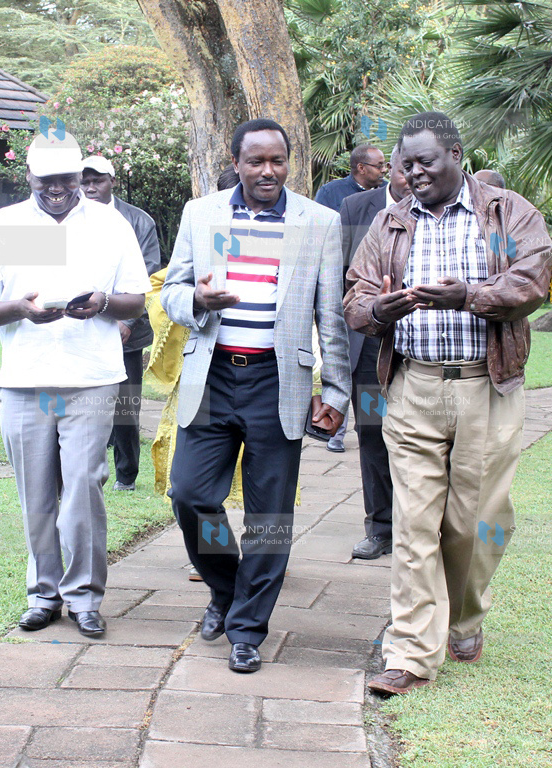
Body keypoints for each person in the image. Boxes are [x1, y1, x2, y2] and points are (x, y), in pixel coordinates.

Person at [344, 112, 552, 695]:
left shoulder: (504, 215)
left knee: (475, 522)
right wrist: (379, 311)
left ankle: (464, 617)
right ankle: (410, 652)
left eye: (424, 162)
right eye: (404, 165)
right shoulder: (390, 225)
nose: (413, 174)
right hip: (412, 388)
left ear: (456, 154)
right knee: (414, 524)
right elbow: (356, 297)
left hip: (487, 386)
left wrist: (470, 296)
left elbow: (531, 281)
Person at [161, 118, 351, 674]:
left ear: (289, 163)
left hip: (279, 380)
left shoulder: (319, 222)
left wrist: (336, 390)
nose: (268, 171)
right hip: (213, 376)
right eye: (256, 161)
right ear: (237, 162)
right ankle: (225, 589)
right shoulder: (202, 214)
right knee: (190, 494)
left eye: (278, 161)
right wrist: (196, 298)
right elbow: (173, 289)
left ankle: (247, 628)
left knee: (269, 515)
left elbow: (332, 317)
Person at [0, 131, 151, 638]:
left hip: (92, 377)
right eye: (47, 181)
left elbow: (137, 299)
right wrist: (21, 309)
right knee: (36, 494)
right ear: (30, 178)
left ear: (80, 178)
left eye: (67, 180)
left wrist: (103, 303)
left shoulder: (111, 225)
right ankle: (44, 594)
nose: (58, 189)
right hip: (25, 379)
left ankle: (84, 596)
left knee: (85, 485)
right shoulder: (8, 224)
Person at [339, 146, 408, 559]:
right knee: (371, 433)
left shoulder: (441, 209)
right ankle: (380, 526)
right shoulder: (355, 207)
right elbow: (338, 277)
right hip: (367, 347)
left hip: (422, 346)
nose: (409, 177)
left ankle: (428, 526)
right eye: (402, 169)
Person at [81, 155, 162, 491]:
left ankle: (126, 475)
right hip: (82, 326)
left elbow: (148, 273)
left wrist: (126, 319)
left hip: (125, 330)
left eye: (97, 180)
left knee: (125, 406)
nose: (90, 187)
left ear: (112, 181)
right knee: (83, 402)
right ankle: (86, 468)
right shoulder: (72, 218)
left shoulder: (138, 221)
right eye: (84, 181)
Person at [315, 143, 387, 451]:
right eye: (380, 166)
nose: (384, 172)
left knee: (375, 419)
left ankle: (371, 435)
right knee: (345, 369)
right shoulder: (336, 195)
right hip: (352, 310)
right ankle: (337, 432)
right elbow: (332, 254)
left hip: (388, 321)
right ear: (360, 167)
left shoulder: (389, 199)